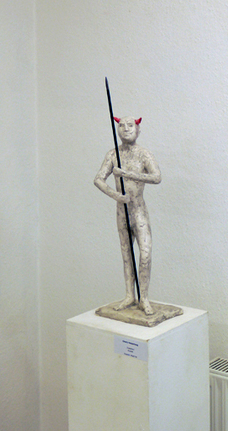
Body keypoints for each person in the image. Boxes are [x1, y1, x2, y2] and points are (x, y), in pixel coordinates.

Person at [94, 116, 161, 315]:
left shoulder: (143, 154)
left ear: (138, 130)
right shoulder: (113, 154)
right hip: (122, 210)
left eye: (130, 125)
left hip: (138, 209)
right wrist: (115, 195)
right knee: (126, 254)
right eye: (121, 126)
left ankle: (144, 298)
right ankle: (130, 295)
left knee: (145, 253)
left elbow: (157, 177)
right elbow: (98, 179)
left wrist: (127, 174)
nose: (126, 129)